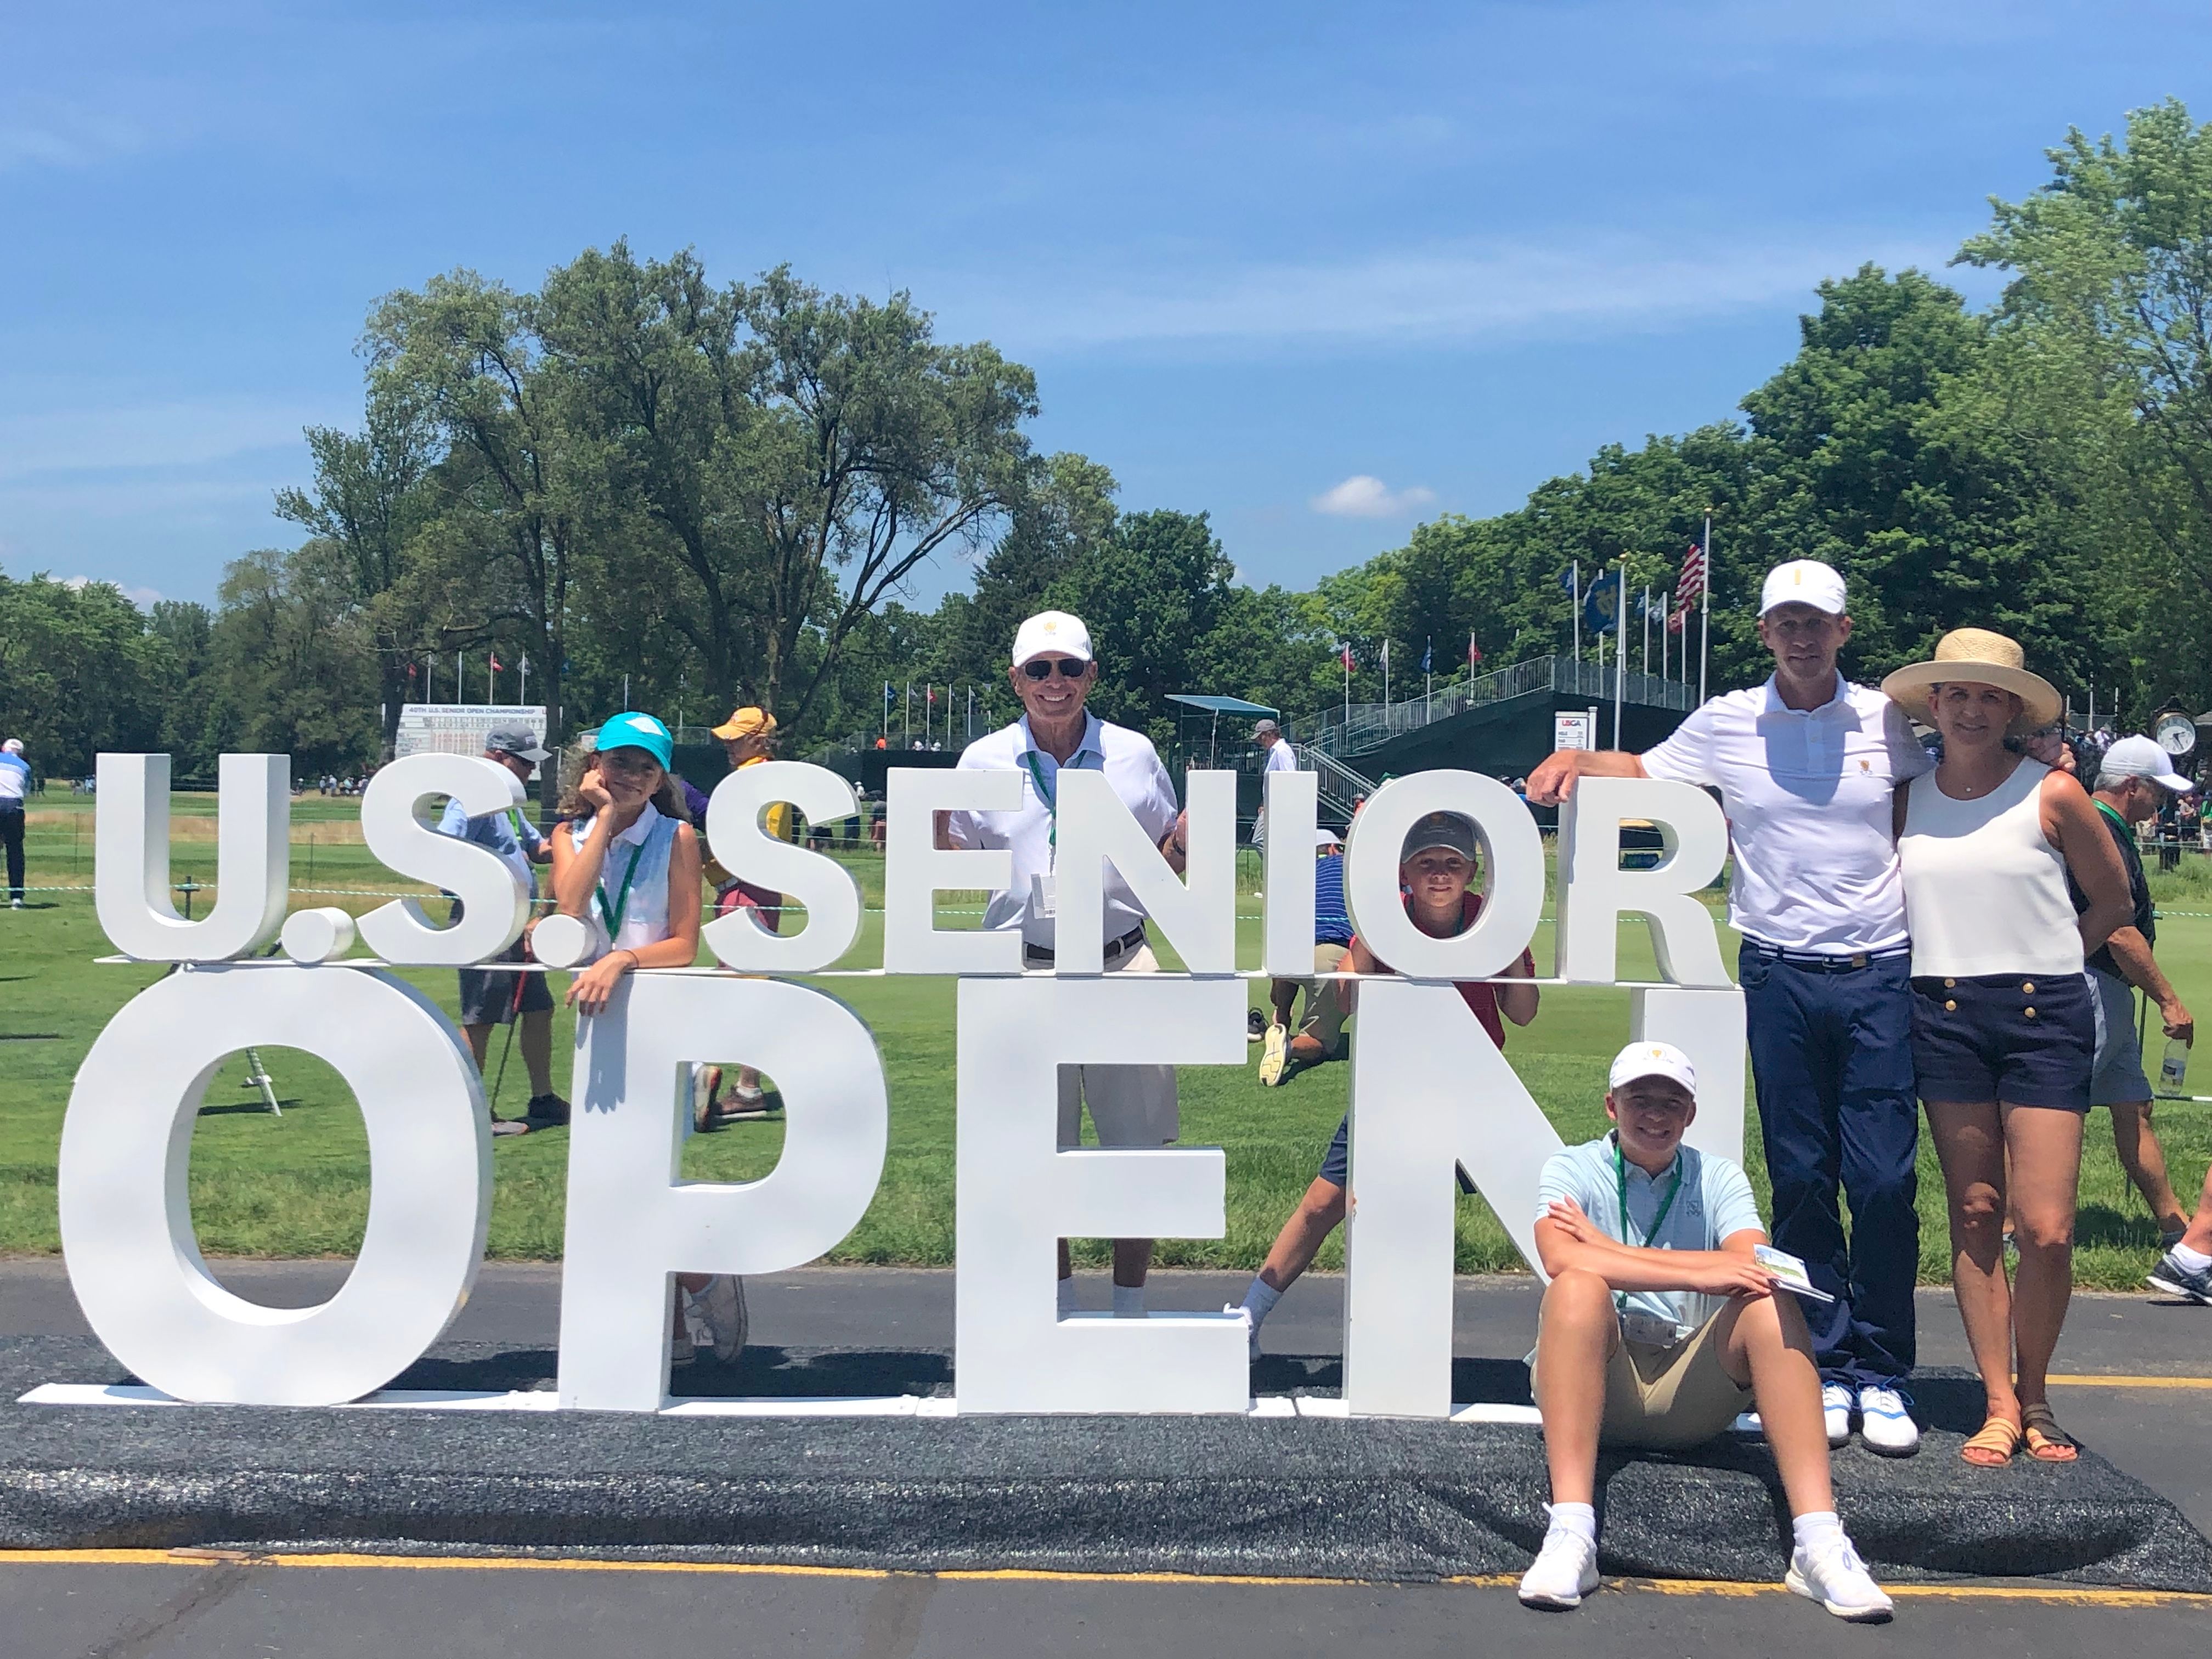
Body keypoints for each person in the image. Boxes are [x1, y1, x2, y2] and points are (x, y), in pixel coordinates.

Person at [1527, 560, 1929, 1454]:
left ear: (1842, 628)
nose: (1799, 634)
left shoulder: (1885, 718)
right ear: (1763, 632)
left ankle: (1882, 1369)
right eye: (1783, 620)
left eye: (1814, 620)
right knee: (1799, 1175)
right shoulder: (1725, 719)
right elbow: (1642, 765)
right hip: (1779, 972)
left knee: (1884, 1180)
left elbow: (1944, 788)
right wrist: (1574, 756)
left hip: (1877, 970)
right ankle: (1821, 1362)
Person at [1517, 1042, 1893, 1622]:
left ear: (1690, 1114)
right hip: (1600, 1376)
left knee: (1769, 1300)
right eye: (1639, 1099)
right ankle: (1571, 1533)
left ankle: (1819, 1543)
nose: (1656, 1114)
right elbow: (1560, 1259)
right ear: (1610, 1107)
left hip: (1690, 1388)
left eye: (1672, 1102)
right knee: (1577, 1290)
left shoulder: (1718, 1175)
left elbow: (1752, 1266)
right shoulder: (1570, 1166)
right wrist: (1703, 1268)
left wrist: (1606, 1250)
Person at [1884, 629, 2133, 1466]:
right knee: (1978, 1213)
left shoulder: (2054, 793)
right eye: (1958, 693)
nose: (1973, 707)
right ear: (1935, 704)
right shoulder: (1903, 799)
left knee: (2049, 1227)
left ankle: (2039, 1393)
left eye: (1992, 695)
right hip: (1943, 1011)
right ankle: (1999, 1403)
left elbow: (2114, 900)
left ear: (2014, 710)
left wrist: (2057, 955)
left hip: (2043, 1015)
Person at [937, 610, 1192, 1320]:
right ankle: (1056, 1307)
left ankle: (1129, 1312)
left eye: (1070, 669)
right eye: (1041, 670)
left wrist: (1189, 845)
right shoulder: (981, 762)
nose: (1056, 684)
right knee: (1033, 1150)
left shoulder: (1135, 755)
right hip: (1024, 969)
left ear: (1092, 676)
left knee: (1135, 1151)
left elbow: (1165, 863)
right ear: (1015, 678)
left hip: (1121, 958)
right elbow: (959, 862)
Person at [1230, 811, 1538, 1350]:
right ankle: (1251, 1314)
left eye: (1452, 863)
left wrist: (1508, 949)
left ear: (1470, 871)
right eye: (1426, 864)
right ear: (1404, 871)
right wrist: (1367, 944)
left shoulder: (1491, 920)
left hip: (1476, 1083)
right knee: (1324, 1203)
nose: (1439, 874)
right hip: (1396, 1081)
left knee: (1537, 1203)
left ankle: (1597, 1326)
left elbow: (1524, 1012)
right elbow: (1347, 999)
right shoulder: (1388, 917)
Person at [550, 712, 743, 1369]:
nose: (632, 776)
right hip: (593, 1023)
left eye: (646, 766)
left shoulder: (679, 836)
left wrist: (623, 960)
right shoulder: (570, 833)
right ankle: (689, 1306)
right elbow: (570, 908)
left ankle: (696, 1290)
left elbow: (685, 943)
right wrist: (602, 823)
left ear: (662, 777)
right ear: (595, 768)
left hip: (655, 1019)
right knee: (608, 1187)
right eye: (620, 762)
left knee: (643, 1182)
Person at [2064, 736, 2197, 1246]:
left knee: (2134, 1107)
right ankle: (2014, 1225)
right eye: (2157, 792)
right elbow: (2120, 930)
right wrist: (2168, 998)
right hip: (2091, 987)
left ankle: (2174, 1228)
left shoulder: (2109, 832)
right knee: (2056, 1111)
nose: (2162, 802)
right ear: (2132, 786)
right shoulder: (2098, 832)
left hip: (2110, 992)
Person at [440, 727, 566, 1133]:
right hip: (485, 922)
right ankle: (471, 1106)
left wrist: (569, 833)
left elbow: (537, 850)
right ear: (497, 756)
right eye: (524, 761)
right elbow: (446, 855)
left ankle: (543, 1098)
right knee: (481, 1016)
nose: (530, 770)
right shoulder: (470, 801)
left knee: (538, 1009)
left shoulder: (508, 803)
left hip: (515, 924)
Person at [695, 706, 792, 1125]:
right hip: (742, 889)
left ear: (759, 740)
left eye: (736, 738)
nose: (727, 745)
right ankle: (740, 1081)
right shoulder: (751, 777)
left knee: (746, 987)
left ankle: (747, 1087)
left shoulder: (760, 779)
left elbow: (760, 845)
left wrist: (707, 858)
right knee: (740, 984)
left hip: (749, 889)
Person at [1257, 829, 1354, 1086]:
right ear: (1335, 848)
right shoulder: (1356, 866)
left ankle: (1281, 1019)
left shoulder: (1300, 875)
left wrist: (1278, 990)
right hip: (1332, 953)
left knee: (1287, 972)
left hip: (1290, 948)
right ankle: (1289, 1047)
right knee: (1320, 1042)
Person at [1249, 717, 1297, 847]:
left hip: (1276, 806)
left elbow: (1289, 779)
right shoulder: (1276, 752)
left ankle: (1276, 865)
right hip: (1271, 805)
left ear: (1270, 734)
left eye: (1261, 737)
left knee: (1259, 840)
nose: (1260, 741)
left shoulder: (1282, 752)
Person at [0, 738, 27, 908]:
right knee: (15, 852)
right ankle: (16, 897)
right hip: (14, 807)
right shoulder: (25, 767)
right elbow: (25, 791)